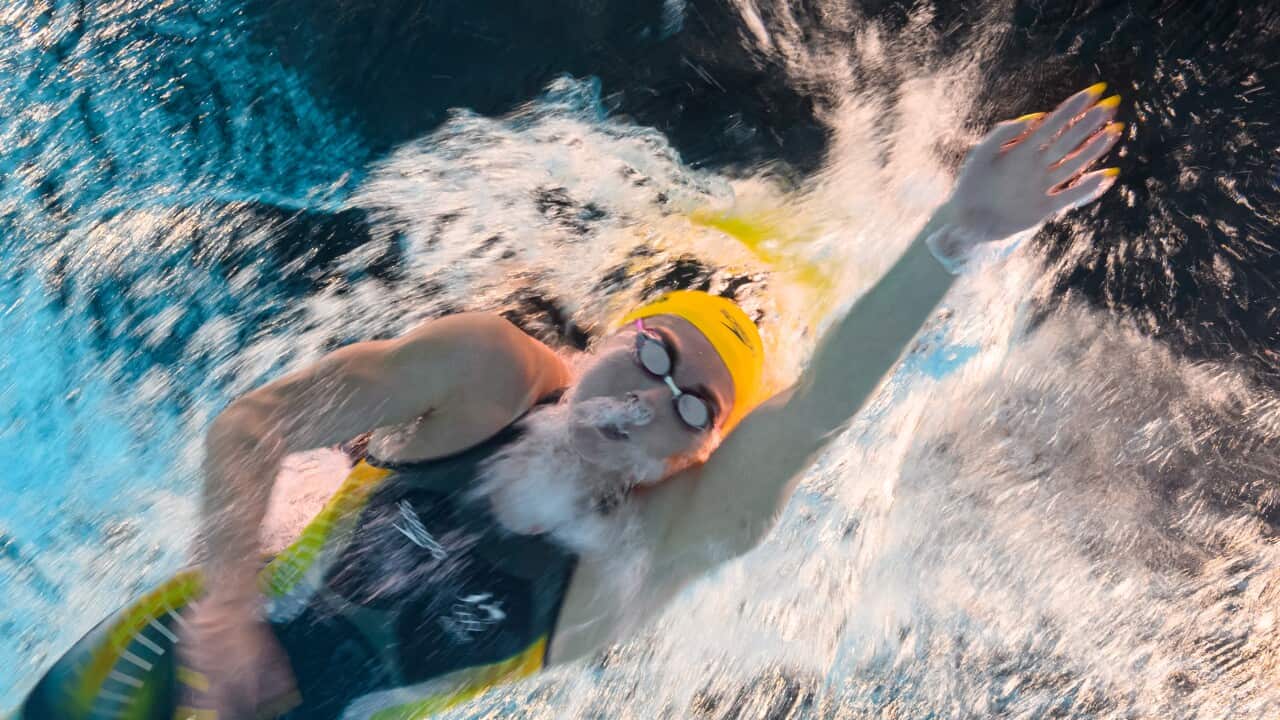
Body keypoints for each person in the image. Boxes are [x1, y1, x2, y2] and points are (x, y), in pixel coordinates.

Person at [14, 83, 1123, 720]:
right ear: (601, 338)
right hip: (151, 660)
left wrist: (957, 239)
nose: (654, 402)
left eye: (695, 410)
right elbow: (248, 424)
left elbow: (812, 414)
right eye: (652, 359)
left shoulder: (634, 567)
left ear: (695, 461)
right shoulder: (487, 370)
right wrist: (226, 608)